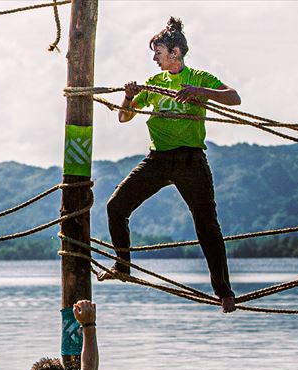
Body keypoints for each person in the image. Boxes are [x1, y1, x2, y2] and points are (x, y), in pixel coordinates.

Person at [102, 16, 240, 313]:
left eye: (158, 52)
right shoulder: (153, 83)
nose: (154, 58)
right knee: (116, 207)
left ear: (176, 51)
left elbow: (234, 98)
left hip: (191, 160)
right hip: (158, 160)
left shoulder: (200, 77)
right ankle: (123, 265)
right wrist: (128, 98)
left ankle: (224, 292)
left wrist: (200, 92)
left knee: (207, 225)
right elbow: (124, 117)